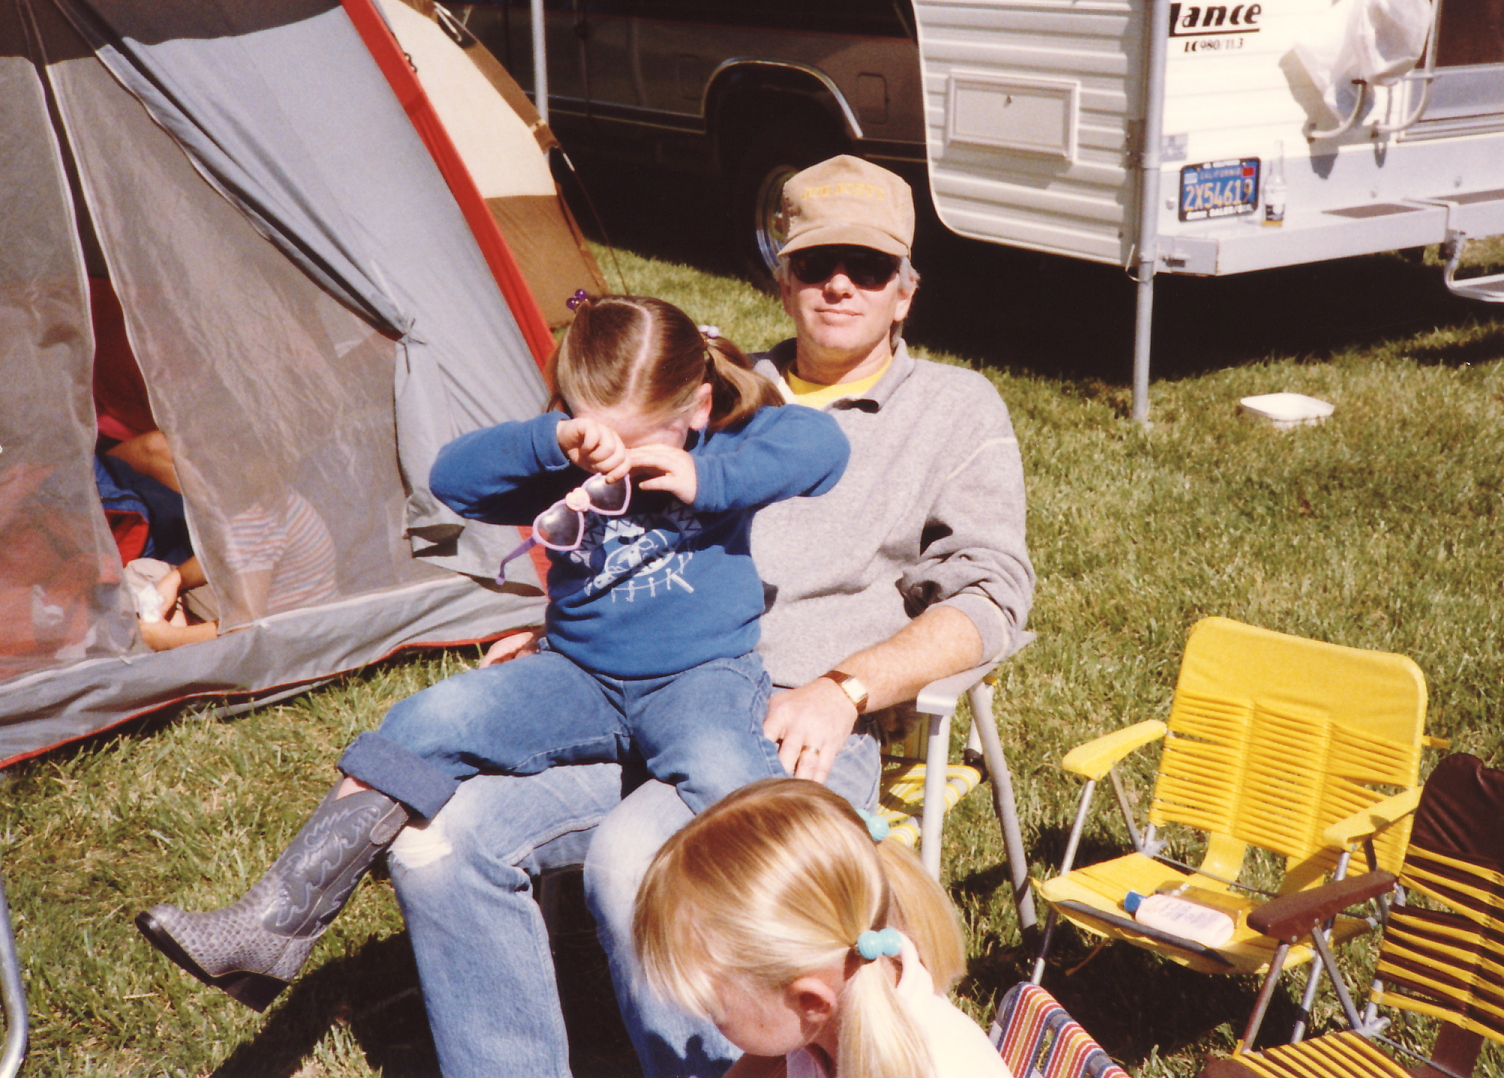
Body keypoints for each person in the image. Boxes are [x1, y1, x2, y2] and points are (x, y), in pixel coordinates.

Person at [381, 154, 1034, 1078]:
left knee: (635, 861)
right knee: (438, 842)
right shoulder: (705, 389)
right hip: (627, 693)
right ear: (782, 279)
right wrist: (568, 635)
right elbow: (580, 514)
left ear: (906, 290)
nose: (839, 284)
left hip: (789, 726)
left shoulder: (952, 409)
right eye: (815, 263)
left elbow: (991, 594)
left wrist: (846, 689)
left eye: (868, 266)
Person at [135, 295, 849, 1011]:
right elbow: (452, 479)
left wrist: (708, 479)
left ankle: (837, 942)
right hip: (579, 675)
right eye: (603, 435)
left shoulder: (721, 448)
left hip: (700, 676)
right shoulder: (565, 460)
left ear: (695, 407)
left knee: (725, 772)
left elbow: (823, 448)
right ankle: (270, 926)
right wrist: (554, 440)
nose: (622, 464)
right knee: (426, 720)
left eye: (641, 444)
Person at [634, 778, 1013, 1078]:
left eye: (714, 1010)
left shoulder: (931, 1064)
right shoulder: (844, 994)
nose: (704, 1020)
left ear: (811, 1003)